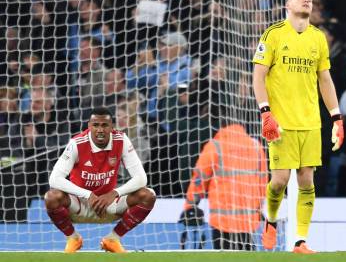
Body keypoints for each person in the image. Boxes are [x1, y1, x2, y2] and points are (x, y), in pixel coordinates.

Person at [252, 0, 344, 254]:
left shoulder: (318, 38)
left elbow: (325, 79)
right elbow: (259, 76)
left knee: (306, 181)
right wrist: (265, 112)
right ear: (287, 5)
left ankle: (300, 240)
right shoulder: (273, 34)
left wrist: (336, 117)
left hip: (311, 123)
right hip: (281, 122)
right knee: (280, 180)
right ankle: (270, 219)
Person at [44, 107, 156, 253]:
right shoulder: (76, 143)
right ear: (89, 126)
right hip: (79, 204)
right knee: (51, 197)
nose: (100, 130)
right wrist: (87, 195)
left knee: (148, 195)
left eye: (104, 125)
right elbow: (54, 179)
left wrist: (114, 193)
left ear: (112, 127)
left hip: (107, 203)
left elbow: (141, 178)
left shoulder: (121, 140)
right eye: (95, 125)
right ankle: (73, 238)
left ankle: (113, 239)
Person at [181, 123, 267, 250]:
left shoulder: (215, 146)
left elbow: (199, 179)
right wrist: (259, 209)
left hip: (222, 222)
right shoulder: (256, 146)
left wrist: (190, 206)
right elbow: (262, 182)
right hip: (248, 221)